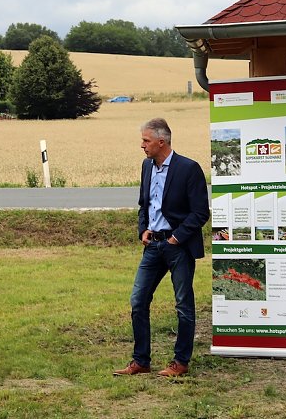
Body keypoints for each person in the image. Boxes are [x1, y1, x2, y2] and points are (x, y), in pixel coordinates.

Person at [114, 118, 209, 378]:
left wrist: (177, 238)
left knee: (183, 305)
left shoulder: (188, 169)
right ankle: (141, 361)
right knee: (138, 300)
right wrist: (143, 228)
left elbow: (200, 212)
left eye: (146, 141)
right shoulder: (147, 167)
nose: (141, 146)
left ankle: (180, 362)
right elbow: (144, 203)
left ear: (161, 141)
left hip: (177, 247)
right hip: (152, 246)